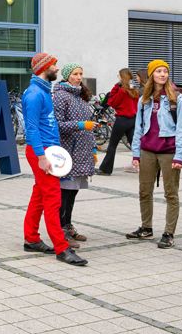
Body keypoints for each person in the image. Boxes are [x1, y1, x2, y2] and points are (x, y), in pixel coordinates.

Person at [22, 52, 88, 266]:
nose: (57, 69)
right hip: (42, 152)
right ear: (44, 68)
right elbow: (31, 128)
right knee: (52, 199)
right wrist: (41, 156)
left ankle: (31, 238)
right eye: (54, 65)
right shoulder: (34, 94)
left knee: (40, 195)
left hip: (48, 150)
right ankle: (62, 248)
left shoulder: (43, 91)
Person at [126, 59, 182, 249]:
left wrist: (181, 156)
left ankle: (168, 233)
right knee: (144, 191)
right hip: (147, 150)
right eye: (158, 71)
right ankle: (146, 228)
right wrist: (136, 154)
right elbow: (139, 127)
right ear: (151, 75)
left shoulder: (177, 99)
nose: (162, 74)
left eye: (165, 71)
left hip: (169, 152)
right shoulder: (144, 99)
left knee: (171, 193)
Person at [52, 63, 98, 247]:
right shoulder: (60, 96)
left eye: (80, 74)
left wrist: (93, 148)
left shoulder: (81, 96)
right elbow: (57, 125)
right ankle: (60, 230)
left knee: (73, 192)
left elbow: (89, 124)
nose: (79, 77)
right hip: (68, 151)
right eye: (75, 74)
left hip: (82, 151)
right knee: (64, 193)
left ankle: (68, 225)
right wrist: (79, 125)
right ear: (66, 76)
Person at [97, 68, 139, 176]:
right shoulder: (134, 89)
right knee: (135, 144)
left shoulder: (121, 90)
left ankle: (105, 169)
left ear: (121, 77)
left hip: (122, 120)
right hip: (133, 119)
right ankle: (146, 167)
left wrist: (116, 86)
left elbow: (112, 102)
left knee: (112, 145)